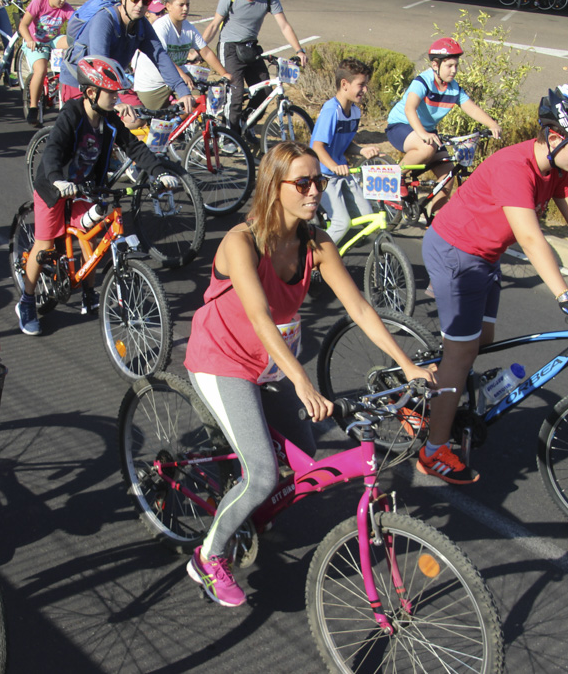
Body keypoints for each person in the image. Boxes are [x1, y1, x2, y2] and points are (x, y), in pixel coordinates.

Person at [183, 141, 435, 606]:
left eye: (318, 180)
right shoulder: (241, 242)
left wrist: (408, 364)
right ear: (274, 187)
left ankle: (246, 506)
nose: (315, 190)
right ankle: (208, 557)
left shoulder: (317, 244)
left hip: (271, 362)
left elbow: (359, 307)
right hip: (225, 360)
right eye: (303, 182)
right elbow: (260, 317)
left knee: (307, 452)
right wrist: (301, 380)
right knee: (261, 474)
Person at [417, 85, 568, 484]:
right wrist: (565, 296)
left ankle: (428, 392)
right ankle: (433, 450)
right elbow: (530, 237)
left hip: (484, 255)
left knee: (482, 338)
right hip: (455, 252)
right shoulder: (514, 167)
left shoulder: (555, 170)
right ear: (554, 136)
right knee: (462, 352)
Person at [19, 56, 178, 335]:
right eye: (112, 92)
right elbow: (54, 149)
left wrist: (158, 171)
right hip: (54, 188)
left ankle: (89, 292)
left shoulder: (110, 119)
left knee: (93, 233)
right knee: (44, 245)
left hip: (85, 188)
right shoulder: (72, 114)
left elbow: (135, 147)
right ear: (91, 93)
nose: (117, 97)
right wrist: (57, 180)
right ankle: (28, 300)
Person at [384, 38, 500, 218]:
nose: (454, 70)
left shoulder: (453, 88)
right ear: (435, 65)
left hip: (427, 132)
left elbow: (470, 107)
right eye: (449, 66)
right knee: (426, 148)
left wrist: (491, 124)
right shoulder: (423, 81)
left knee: (448, 175)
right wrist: (422, 133)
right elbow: (409, 108)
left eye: (456, 66)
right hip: (402, 126)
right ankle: (394, 177)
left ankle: (436, 220)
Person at [59, 0, 194, 120]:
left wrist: (182, 91)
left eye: (146, 1)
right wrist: (116, 102)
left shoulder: (141, 24)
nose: (140, 5)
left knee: (138, 117)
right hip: (80, 83)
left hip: (110, 84)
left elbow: (159, 56)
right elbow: (100, 62)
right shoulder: (104, 20)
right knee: (90, 129)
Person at [201, 0, 307, 138]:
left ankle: (245, 120)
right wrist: (199, 49)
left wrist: (299, 50)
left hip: (250, 47)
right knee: (234, 96)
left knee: (266, 90)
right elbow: (213, 25)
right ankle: (229, 137)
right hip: (230, 48)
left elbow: (284, 25)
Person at [310, 58, 385, 245]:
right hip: (324, 175)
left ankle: (338, 248)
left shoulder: (355, 112)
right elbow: (317, 147)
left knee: (367, 217)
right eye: (361, 85)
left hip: (343, 172)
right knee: (341, 223)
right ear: (345, 84)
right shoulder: (331, 111)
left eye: (366, 85)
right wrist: (334, 167)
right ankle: (316, 261)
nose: (365, 90)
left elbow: (344, 144)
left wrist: (362, 150)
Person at [130, 0, 231, 111]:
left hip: (178, 77)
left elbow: (205, 52)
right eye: (181, 5)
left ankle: (181, 125)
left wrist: (225, 74)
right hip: (153, 83)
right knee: (148, 120)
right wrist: (182, 75)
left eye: (187, 5)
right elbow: (163, 57)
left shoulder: (188, 27)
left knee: (197, 104)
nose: (185, 9)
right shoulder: (161, 27)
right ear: (168, 6)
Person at [19, 0, 73, 126]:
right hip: (35, 41)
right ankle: (33, 107)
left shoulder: (66, 7)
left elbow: (76, 22)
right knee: (41, 69)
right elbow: (23, 25)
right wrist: (29, 40)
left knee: (73, 42)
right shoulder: (38, 3)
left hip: (52, 40)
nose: (63, 0)